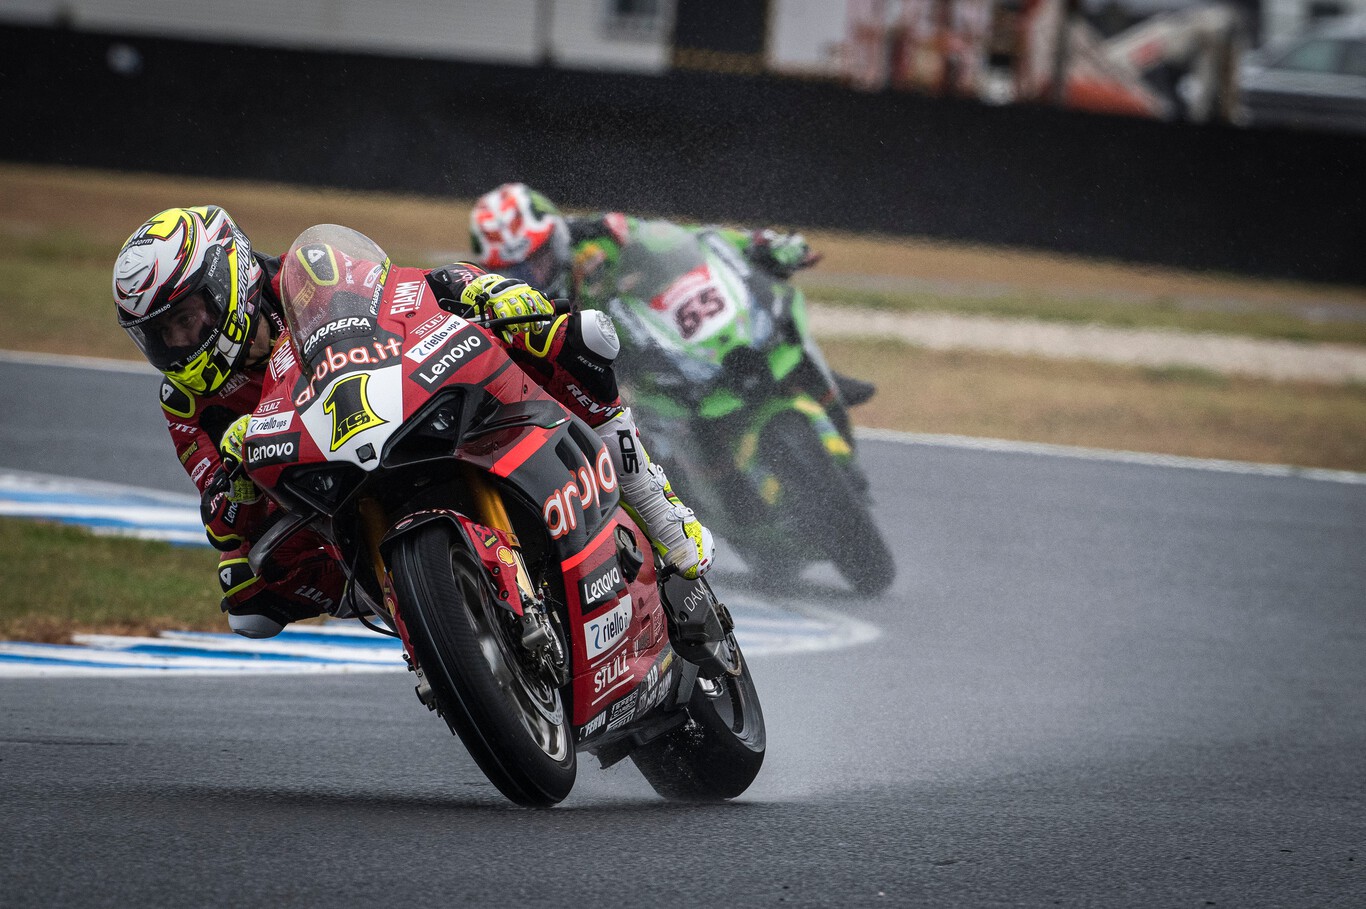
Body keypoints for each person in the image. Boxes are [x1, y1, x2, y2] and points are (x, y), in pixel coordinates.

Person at [112, 205, 713, 639]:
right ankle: (424, 617)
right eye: (161, 336)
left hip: (396, 400)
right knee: (247, 595)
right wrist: (234, 483)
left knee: (565, 338)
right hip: (319, 486)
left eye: (187, 319)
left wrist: (479, 293)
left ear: (228, 280)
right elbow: (221, 516)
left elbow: (402, 290)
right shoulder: (187, 405)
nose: (180, 342)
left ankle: (655, 507)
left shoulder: (304, 273)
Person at [467, 182, 876, 407]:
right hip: (618, 369)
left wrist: (756, 243)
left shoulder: (601, 231)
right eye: (517, 269)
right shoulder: (511, 307)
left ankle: (824, 384)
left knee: (757, 296)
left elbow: (680, 238)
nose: (532, 272)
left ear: (556, 232)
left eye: (538, 256)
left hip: (664, 324)